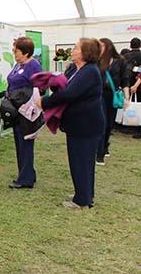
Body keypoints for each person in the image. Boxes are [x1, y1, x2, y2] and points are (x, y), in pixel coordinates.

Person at [37, 38, 105, 209]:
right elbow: (63, 87)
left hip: (86, 125)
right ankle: (84, 193)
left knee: (81, 161)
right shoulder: (77, 69)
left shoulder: (90, 71)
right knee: (82, 161)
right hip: (79, 124)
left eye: (76, 48)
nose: (72, 50)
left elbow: (69, 94)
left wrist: (44, 103)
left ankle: (82, 200)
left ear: (85, 52)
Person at [7, 37, 42, 189]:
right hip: (16, 110)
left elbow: (39, 88)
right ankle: (27, 173)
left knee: (26, 143)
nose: (14, 53)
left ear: (26, 53)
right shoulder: (19, 64)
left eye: (17, 51)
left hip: (27, 111)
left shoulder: (33, 66)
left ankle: (26, 179)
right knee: (19, 142)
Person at [95, 38, 130, 164]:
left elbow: (125, 79)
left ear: (108, 46)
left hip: (113, 95)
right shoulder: (97, 60)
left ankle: (105, 146)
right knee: (102, 122)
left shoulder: (120, 61)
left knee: (110, 124)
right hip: (100, 95)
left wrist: (127, 98)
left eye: (101, 46)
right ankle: (99, 154)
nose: (99, 48)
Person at [123, 37, 141, 138]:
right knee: (139, 105)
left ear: (130, 45)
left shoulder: (125, 56)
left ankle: (127, 125)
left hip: (127, 83)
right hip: (138, 84)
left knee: (127, 104)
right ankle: (138, 128)